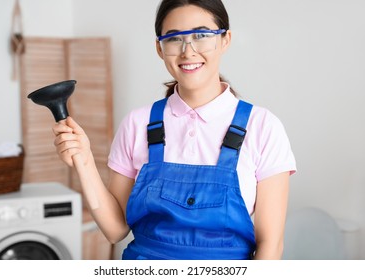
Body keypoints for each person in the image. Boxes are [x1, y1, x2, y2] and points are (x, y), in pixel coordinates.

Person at [53, 0, 296, 260]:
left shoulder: (262, 126)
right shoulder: (137, 123)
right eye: (173, 39)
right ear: (159, 48)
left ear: (225, 40)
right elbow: (115, 230)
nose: (187, 51)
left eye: (201, 35)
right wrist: (84, 160)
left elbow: (271, 246)